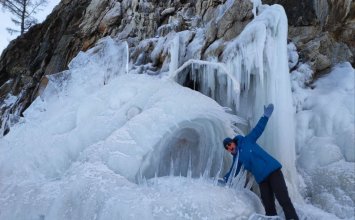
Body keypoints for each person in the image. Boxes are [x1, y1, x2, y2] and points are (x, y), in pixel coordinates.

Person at [222, 104, 299, 220]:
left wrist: (265, 116)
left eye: (229, 144)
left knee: (283, 199)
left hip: (273, 172)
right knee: (268, 207)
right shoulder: (237, 159)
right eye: (227, 148)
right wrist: (224, 179)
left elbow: (258, 129)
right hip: (262, 180)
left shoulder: (247, 140)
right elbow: (233, 171)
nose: (229, 147)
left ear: (233, 142)